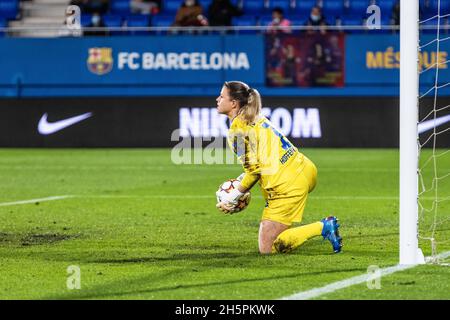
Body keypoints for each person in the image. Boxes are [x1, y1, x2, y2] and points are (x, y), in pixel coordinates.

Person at [215, 81, 343, 254]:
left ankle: (323, 226)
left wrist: (234, 196)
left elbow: (254, 171)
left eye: (222, 96)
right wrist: (240, 181)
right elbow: (260, 162)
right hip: (304, 169)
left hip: (287, 185)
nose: (217, 99)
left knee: (269, 248)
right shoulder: (256, 117)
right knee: (280, 234)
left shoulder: (236, 131)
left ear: (233, 103)